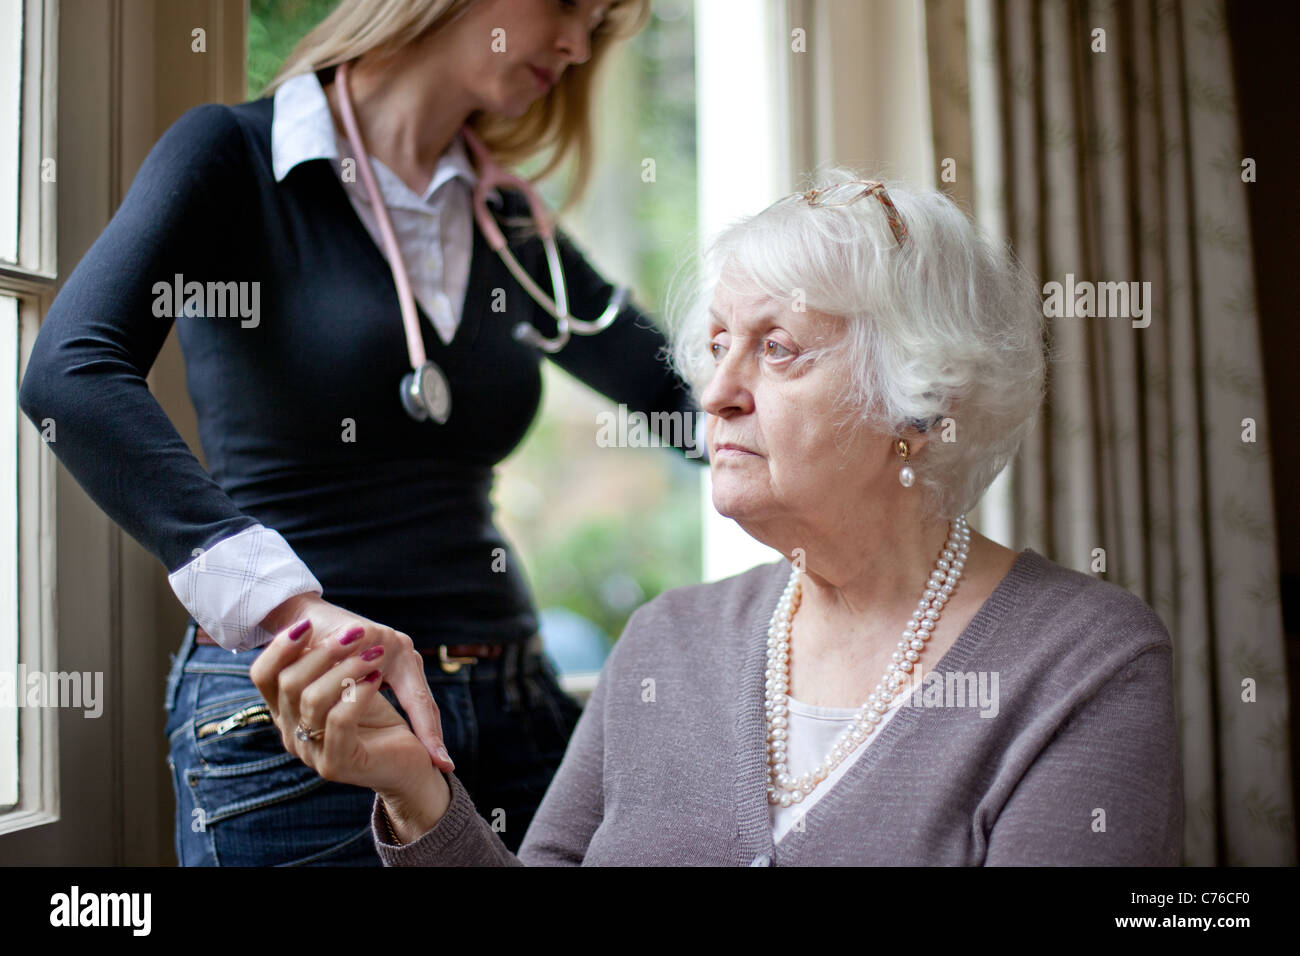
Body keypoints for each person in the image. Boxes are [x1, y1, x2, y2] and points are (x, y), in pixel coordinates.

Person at [250, 170, 1185, 865]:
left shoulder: (1084, 662)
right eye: (716, 347)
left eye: (779, 349)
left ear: (922, 408)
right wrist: (415, 791)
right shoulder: (665, 643)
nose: (717, 393)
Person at [17, 0, 701, 865]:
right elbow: (67, 375)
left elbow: (685, 401)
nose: (575, 45)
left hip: (518, 711)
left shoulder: (505, 217)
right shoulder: (232, 155)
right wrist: (295, 614)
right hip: (310, 717)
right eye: (568, 5)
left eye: (597, 26)